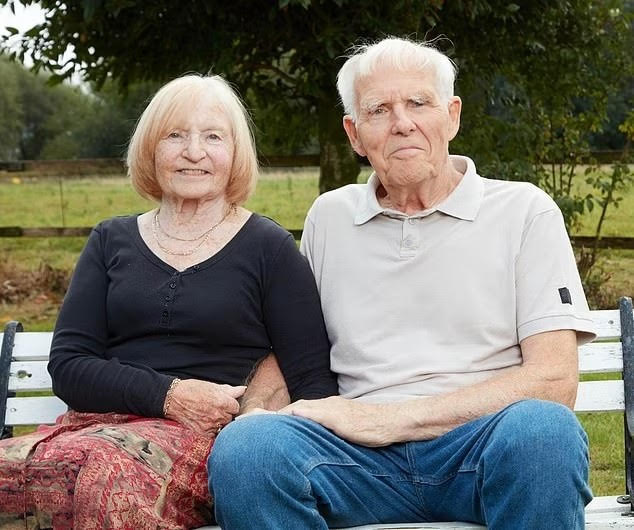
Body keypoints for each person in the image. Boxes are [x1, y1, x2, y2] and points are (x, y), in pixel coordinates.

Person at [209, 38, 597, 529]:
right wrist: (256, 412)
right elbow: (296, 346)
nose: (402, 123)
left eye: (419, 103)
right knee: (249, 452)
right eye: (379, 110)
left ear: (452, 115)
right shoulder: (330, 217)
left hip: (480, 444)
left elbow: (553, 381)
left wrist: (386, 420)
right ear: (354, 133)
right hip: (354, 462)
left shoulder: (524, 211)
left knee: (544, 432)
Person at [0, 74, 337, 529]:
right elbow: (69, 365)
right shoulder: (109, 240)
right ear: (150, 151)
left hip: (207, 442)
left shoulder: (269, 248)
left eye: (212, 137)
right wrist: (170, 394)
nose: (193, 151)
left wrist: (255, 419)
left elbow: (313, 381)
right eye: (174, 135)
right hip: (93, 428)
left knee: (102, 477)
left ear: (235, 153)